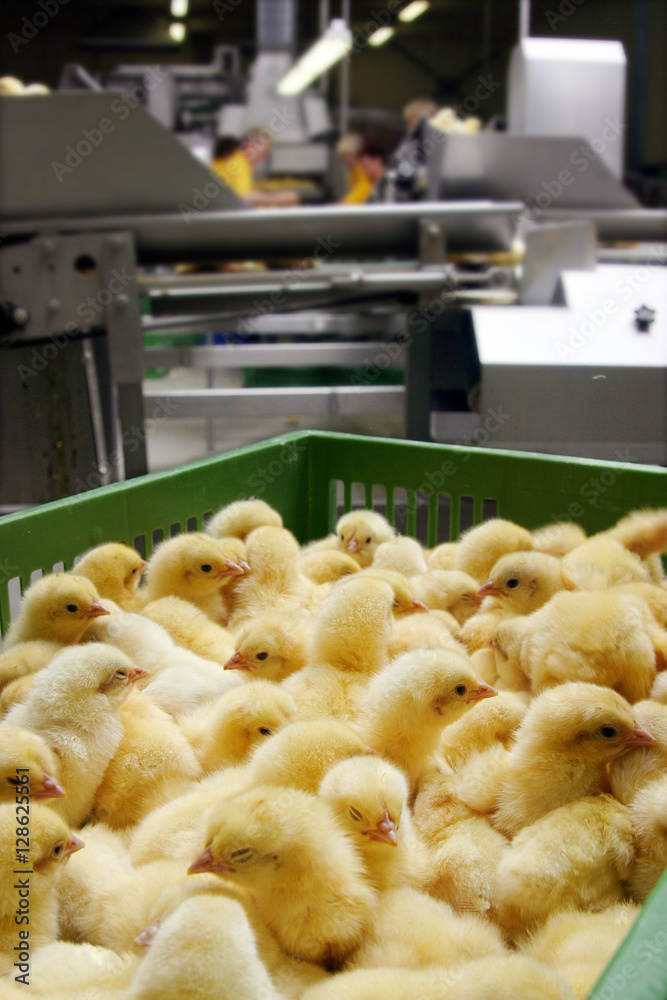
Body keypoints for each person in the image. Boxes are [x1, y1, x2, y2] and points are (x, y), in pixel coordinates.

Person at [211, 127, 299, 207]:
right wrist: (279, 198)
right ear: (249, 145)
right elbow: (244, 197)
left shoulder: (235, 157)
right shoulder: (239, 161)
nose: (263, 158)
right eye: (263, 153)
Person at [335, 134, 374, 205]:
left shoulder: (365, 172)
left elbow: (362, 190)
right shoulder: (352, 175)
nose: (345, 161)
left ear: (356, 153)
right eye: (343, 157)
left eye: (346, 156)